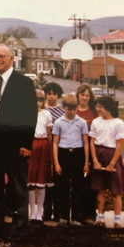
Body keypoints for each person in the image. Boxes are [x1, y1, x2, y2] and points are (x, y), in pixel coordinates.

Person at [0, 43, 37, 242]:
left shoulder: (23, 83)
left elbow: (30, 115)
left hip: (15, 143)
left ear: (11, 58)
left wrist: (26, 144)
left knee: (18, 188)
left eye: (1, 56)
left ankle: (20, 229)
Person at [52, 94, 89, 226]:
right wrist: (56, 163)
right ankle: (63, 216)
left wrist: (86, 162)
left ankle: (75, 217)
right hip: (63, 154)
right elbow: (55, 143)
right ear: (64, 108)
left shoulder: (82, 122)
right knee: (62, 187)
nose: (72, 112)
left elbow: (86, 143)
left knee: (78, 187)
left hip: (77, 154)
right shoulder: (58, 122)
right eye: (69, 109)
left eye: (74, 109)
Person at [89, 96, 124, 228]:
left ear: (108, 108)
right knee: (100, 189)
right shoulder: (96, 121)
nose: (97, 109)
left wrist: (111, 164)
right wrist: (95, 161)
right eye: (96, 106)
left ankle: (116, 221)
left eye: (100, 107)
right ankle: (101, 218)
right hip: (99, 154)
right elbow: (92, 142)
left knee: (117, 191)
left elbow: (120, 145)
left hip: (113, 156)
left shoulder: (118, 123)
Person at [27, 90, 53, 224]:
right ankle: (32, 212)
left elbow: (49, 134)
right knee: (31, 181)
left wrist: (50, 153)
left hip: (43, 146)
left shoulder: (46, 114)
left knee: (41, 181)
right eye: (36, 100)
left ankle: (39, 212)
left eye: (40, 100)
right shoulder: (27, 113)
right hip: (31, 145)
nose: (38, 103)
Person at [42, 81, 65, 222]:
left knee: (59, 182)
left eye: (54, 94)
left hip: (59, 149)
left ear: (58, 95)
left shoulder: (62, 111)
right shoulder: (41, 110)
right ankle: (46, 210)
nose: (51, 96)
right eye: (48, 94)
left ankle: (58, 212)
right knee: (46, 182)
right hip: (45, 149)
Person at [75, 84, 98, 224]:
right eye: (82, 94)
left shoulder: (94, 112)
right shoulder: (73, 110)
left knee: (90, 183)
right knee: (78, 183)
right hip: (77, 150)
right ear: (78, 95)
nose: (84, 97)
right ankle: (78, 213)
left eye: (87, 95)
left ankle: (91, 213)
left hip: (91, 150)